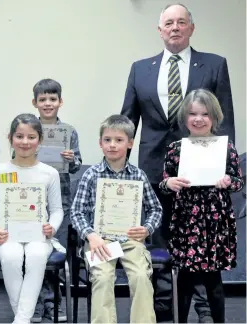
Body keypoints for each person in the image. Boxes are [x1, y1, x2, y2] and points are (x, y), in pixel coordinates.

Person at [120, 3, 236, 321]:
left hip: (202, 169)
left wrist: (225, 168)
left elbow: (224, 120)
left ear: (191, 28)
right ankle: (164, 305)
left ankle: (202, 306)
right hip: (154, 168)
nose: (174, 27)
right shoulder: (140, 68)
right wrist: (121, 171)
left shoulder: (214, 65)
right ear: (160, 30)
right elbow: (127, 122)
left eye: (181, 22)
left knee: (199, 237)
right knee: (158, 238)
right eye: (168, 23)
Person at [159, 89, 244, 323]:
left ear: (214, 117)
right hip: (186, 221)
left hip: (215, 222)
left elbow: (238, 182)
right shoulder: (175, 148)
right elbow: (164, 183)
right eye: (193, 113)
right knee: (185, 280)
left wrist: (229, 181)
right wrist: (170, 182)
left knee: (213, 281)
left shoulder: (226, 148)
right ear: (185, 117)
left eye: (205, 114)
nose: (198, 119)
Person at [70, 114, 162, 323]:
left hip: (131, 239)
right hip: (100, 240)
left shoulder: (138, 175)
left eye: (119, 140)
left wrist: (147, 229)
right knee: (102, 278)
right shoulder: (91, 175)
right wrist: (91, 236)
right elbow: (76, 212)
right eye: (107, 140)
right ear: (100, 143)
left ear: (130, 143)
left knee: (140, 276)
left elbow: (155, 209)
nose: (112, 145)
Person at [0, 113, 64, 324]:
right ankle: (24, 318)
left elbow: (57, 210)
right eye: (19, 136)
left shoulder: (49, 173)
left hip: (39, 236)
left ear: (40, 140)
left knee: (36, 255)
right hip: (7, 235)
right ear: (10, 138)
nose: (25, 142)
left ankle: (21, 319)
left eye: (31, 137)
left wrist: (52, 227)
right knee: (11, 256)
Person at [30, 79, 82, 322]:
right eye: (43, 100)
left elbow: (76, 167)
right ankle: (36, 304)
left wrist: (71, 160)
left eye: (52, 99)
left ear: (60, 102)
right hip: (32, 202)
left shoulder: (69, 132)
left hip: (60, 201)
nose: (47, 103)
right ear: (35, 103)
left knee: (55, 254)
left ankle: (54, 304)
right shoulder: (27, 129)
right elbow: (14, 160)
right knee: (34, 254)